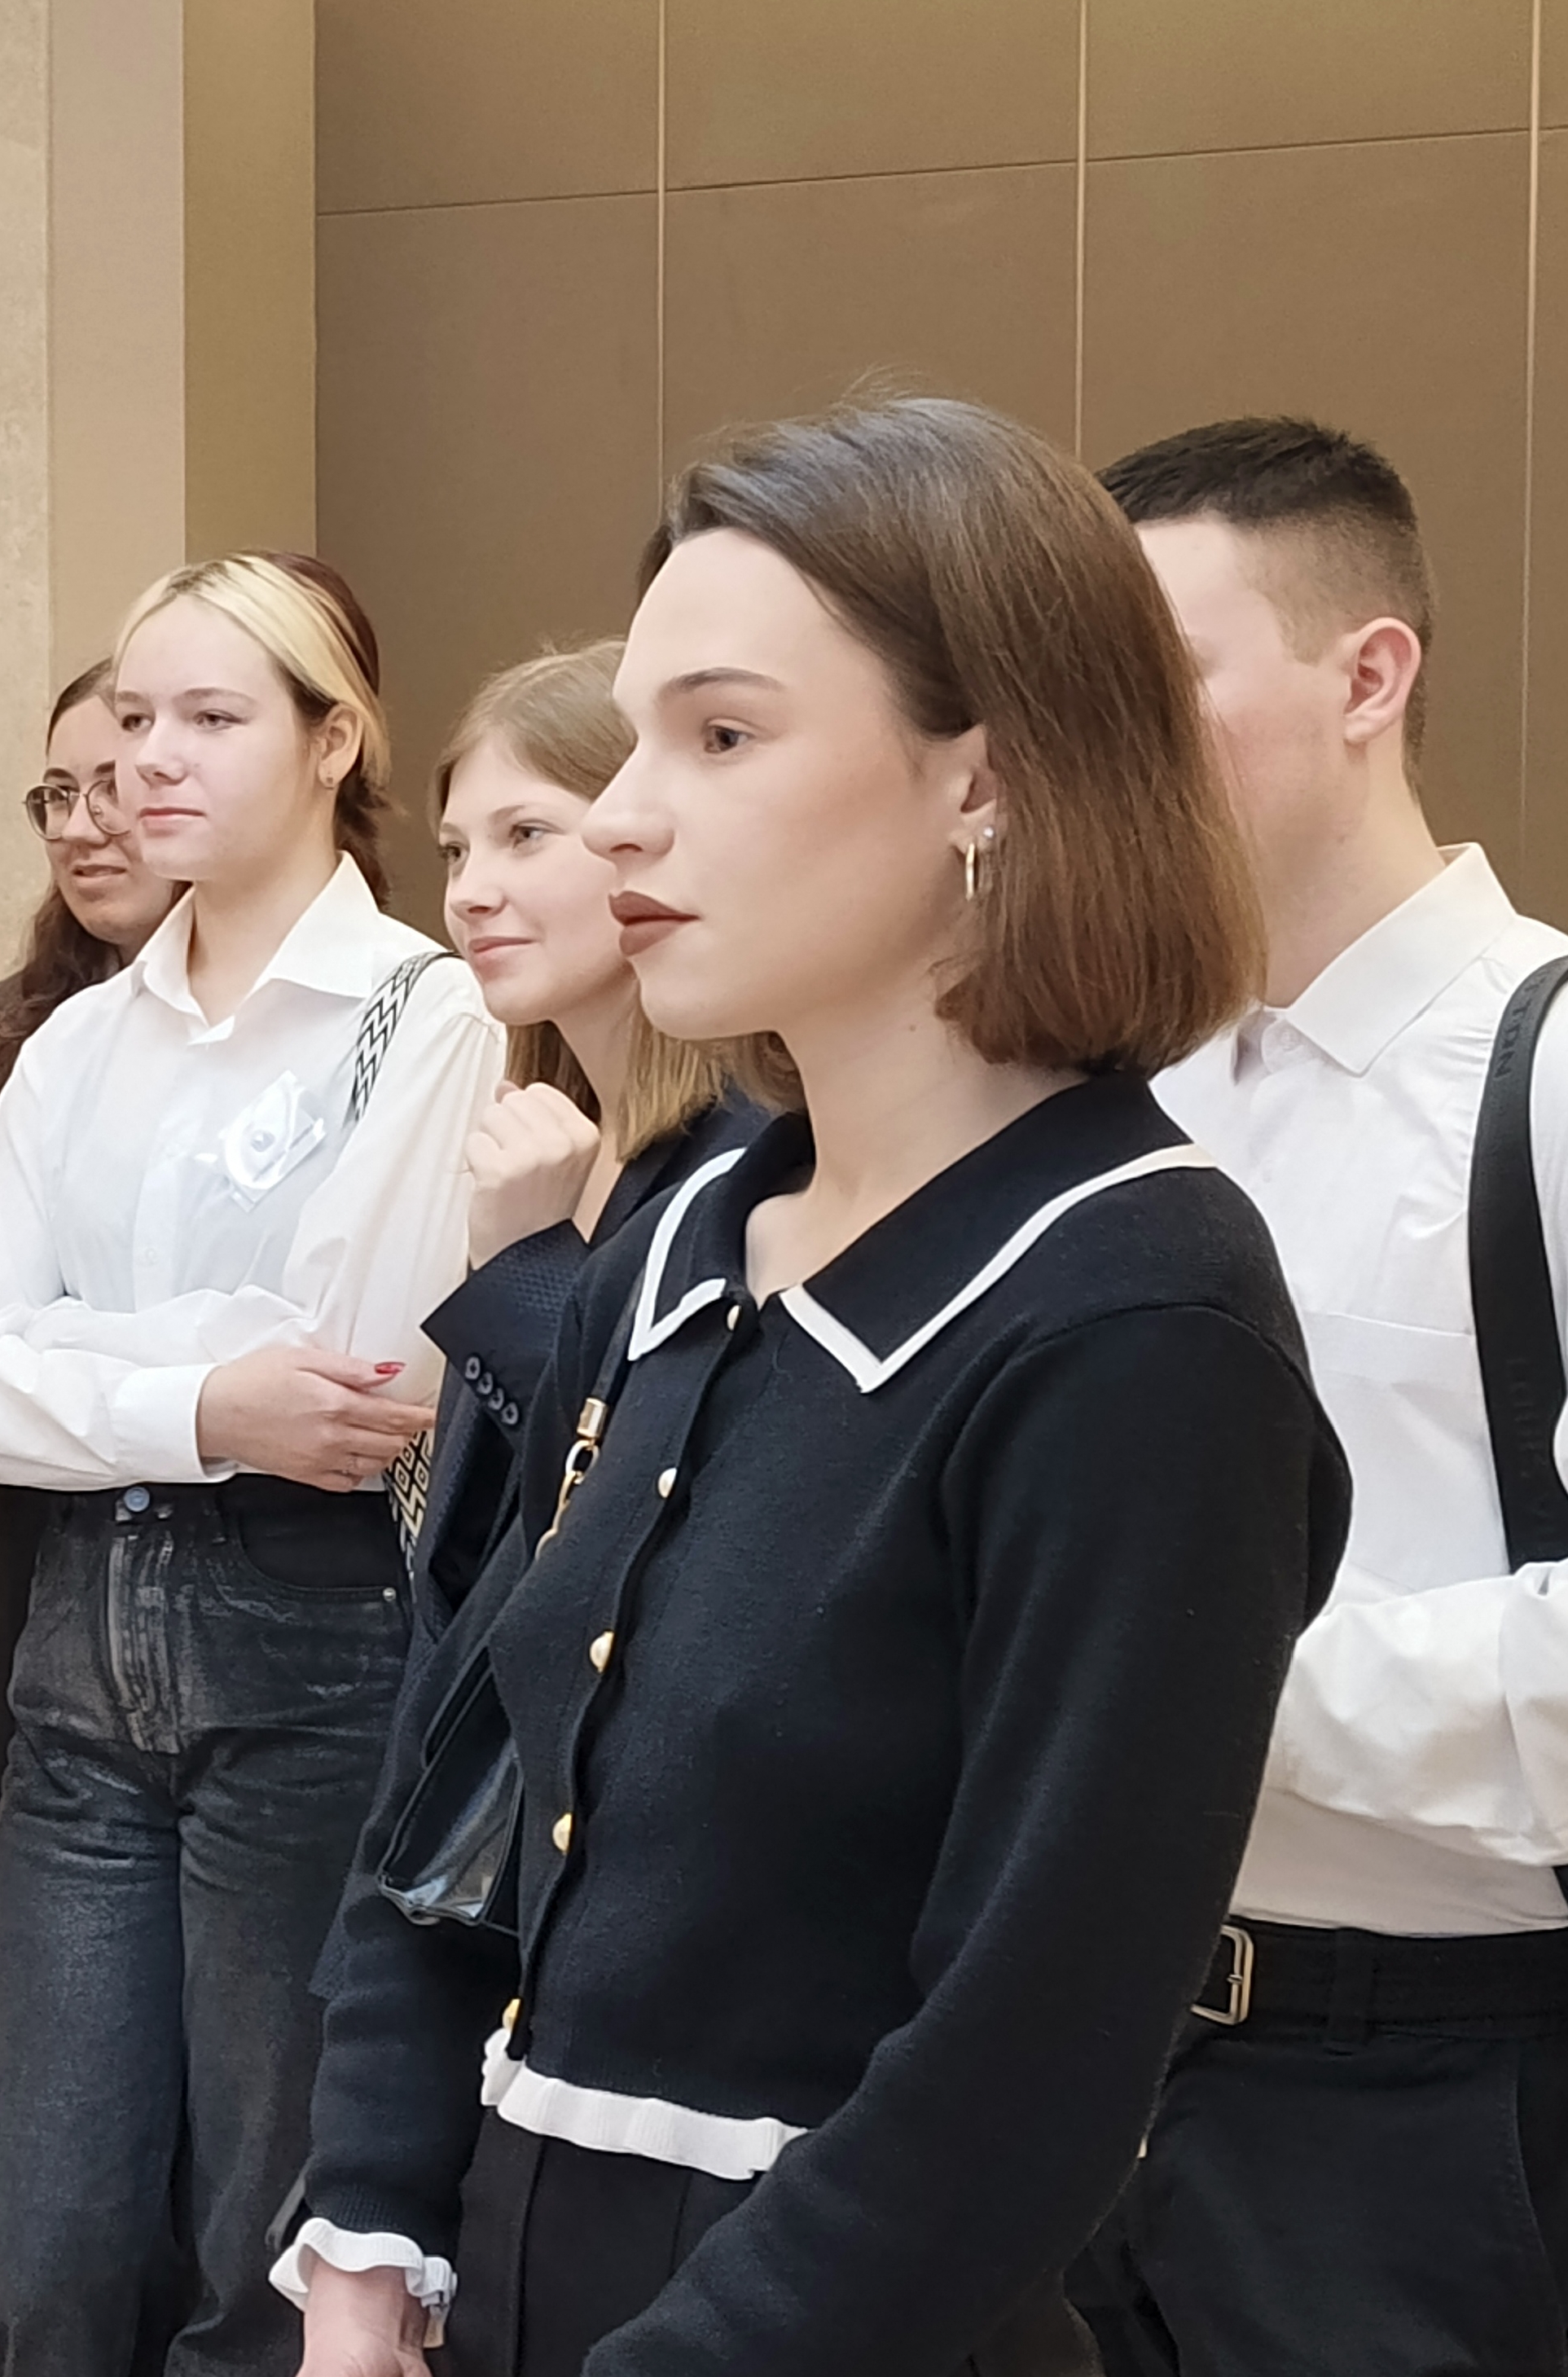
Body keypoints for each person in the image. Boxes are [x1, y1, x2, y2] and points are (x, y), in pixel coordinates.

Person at [284, 397, 1350, 2377]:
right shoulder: (682, 1233)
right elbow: (458, 1781)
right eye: (632, 739)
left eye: (718, 736)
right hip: (510, 2265)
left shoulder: (1131, 1313)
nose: (619, 817)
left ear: (983, 776)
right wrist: (363, 2232)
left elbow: (1022, 2068)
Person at [0, 551, 504, 2375]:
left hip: (313, 1646)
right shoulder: (73, 1040)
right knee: (38, 2239)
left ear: (335, 740)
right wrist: (192, 1396)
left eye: (211, 716)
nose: (147, 760)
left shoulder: (431, 1011)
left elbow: (353, 1370)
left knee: (268, 2239)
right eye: (132, 720)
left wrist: (90, 1354)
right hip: (79, 1649)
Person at [1074, 419, 1568, 2375]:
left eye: (1155, 675)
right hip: (1091, 2051)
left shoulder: (1537, 1065)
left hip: (1438, 2082)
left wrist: (1150, 1691)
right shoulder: (1118, 1099)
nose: (1095, 742)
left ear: (1366, 677)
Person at [407, 641, 753, 1632]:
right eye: (455, 850)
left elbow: (647, 1514)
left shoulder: (753, 1158)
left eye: (525, 834)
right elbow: (472, 1547)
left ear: (639, 835)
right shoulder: (549, 1137)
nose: (469, 891)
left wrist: (523, 1265)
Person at [0, 659, 182, 1814]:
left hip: (243, 1568)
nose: (76, 826)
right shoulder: (20, 1018)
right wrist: (14, 1378)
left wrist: (55, 1354)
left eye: (110, 787)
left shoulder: (347, 1013)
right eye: (56, 795)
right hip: (45, 1543)